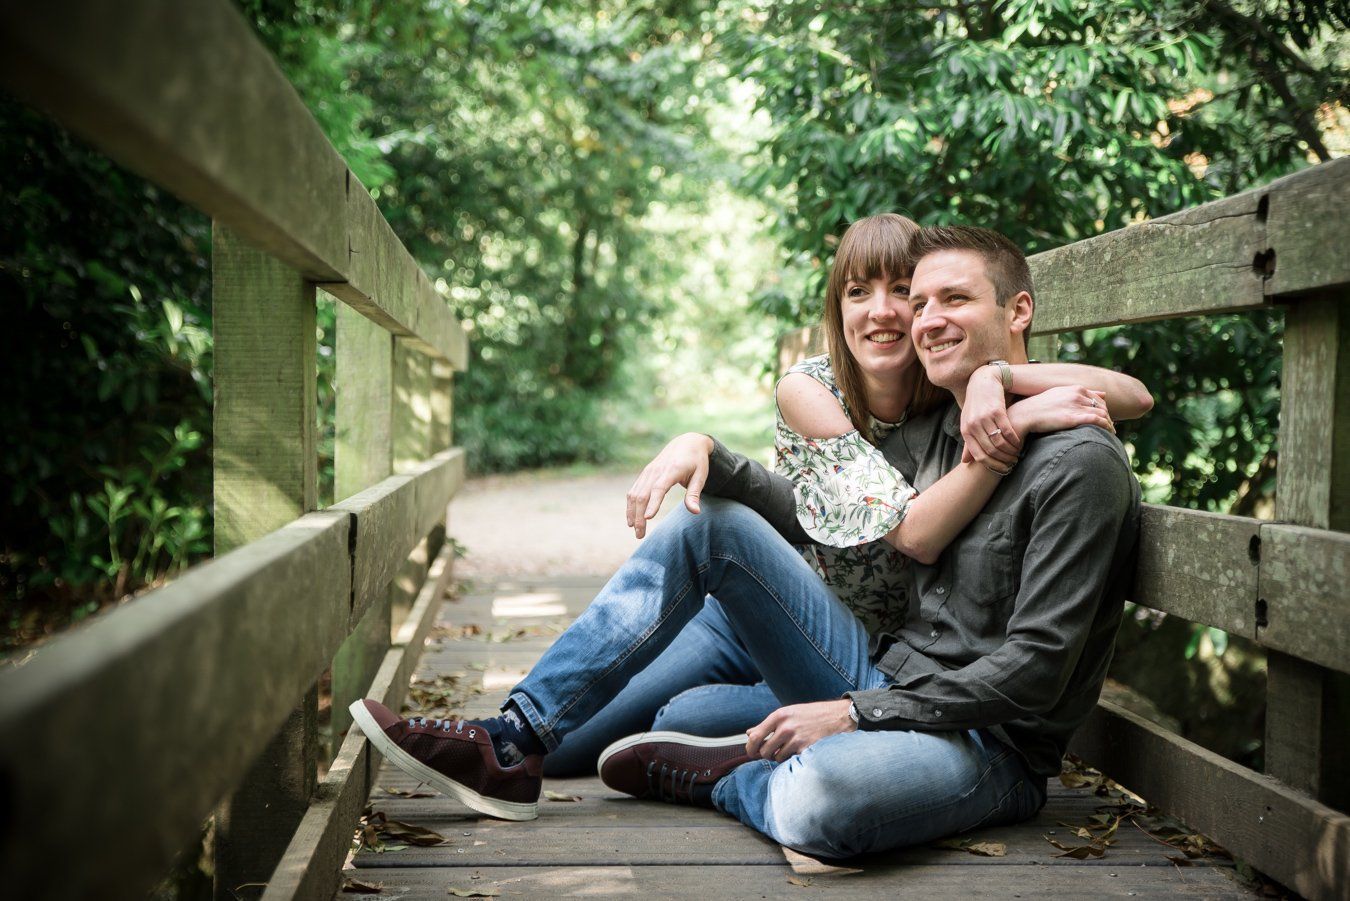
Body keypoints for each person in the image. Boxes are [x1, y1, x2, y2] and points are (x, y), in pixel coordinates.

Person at [349, 223, 1141, 859]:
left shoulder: (1075, 463)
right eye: (913, 299)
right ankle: (511, 738)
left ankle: (726, 777)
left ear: (1019, 311)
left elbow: (1036, 671)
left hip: (983, 741)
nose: (916, 317)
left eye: (945, 299)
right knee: (702, 594)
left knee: (827, 797)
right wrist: (991, 384)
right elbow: (815, 510)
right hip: (876, 670)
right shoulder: (943, 407)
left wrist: (859, 714)